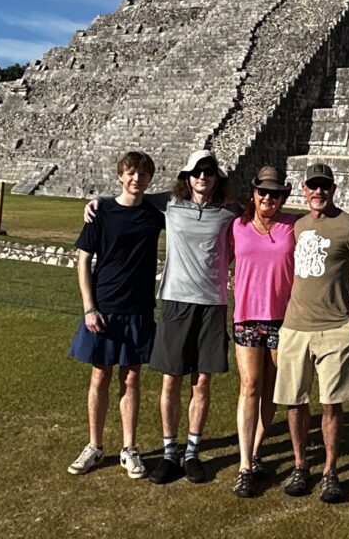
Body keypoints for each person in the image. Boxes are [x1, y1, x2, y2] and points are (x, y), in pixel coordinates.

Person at [84, 148, 238, 486]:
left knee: (202, 381)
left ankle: (192, 452)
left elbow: (258, 213)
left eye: (209, 172)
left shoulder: (229, 213)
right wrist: (97, 200)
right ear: (186, 177)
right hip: (174, 302)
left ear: (216, 177)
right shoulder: (169, 205)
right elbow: (131, 193)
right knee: (170, 379)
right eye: (196, 172)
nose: (202, 177)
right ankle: (170, 452)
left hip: (212, 304)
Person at [273, 162, 349, 503]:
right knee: (294, 402)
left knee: (331, 404)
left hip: (335, 328)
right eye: (313, 186)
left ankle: (330, 472)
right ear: (303, 190)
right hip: (295, 326)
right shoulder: (297, 225)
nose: (318, 192)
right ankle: (300, 465)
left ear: (334, 190)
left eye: (325, 186)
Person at [67, 151, 165, 479]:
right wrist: (89, 308)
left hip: (137, 307)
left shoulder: (154, 215)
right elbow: (83, 260)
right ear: (121, 176)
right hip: (105, 307)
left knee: (132, 378)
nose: (137, 179)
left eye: (143, 174)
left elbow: (187, 195)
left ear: (150, 179)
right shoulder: (102, 212)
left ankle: (129, 447)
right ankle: (94, 446)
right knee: (100, 375)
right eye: (131, 173)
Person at [229, 165, 297, 498]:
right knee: (250, 384)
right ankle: (244, 464)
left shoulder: (293, 227)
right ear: (253, 195)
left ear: (283, 197)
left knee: (271, 388)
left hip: (281, 318)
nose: (269, 198)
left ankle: (255, 450)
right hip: (246, 317)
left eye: (275, 193)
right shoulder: (237, 226)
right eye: (263, 192)